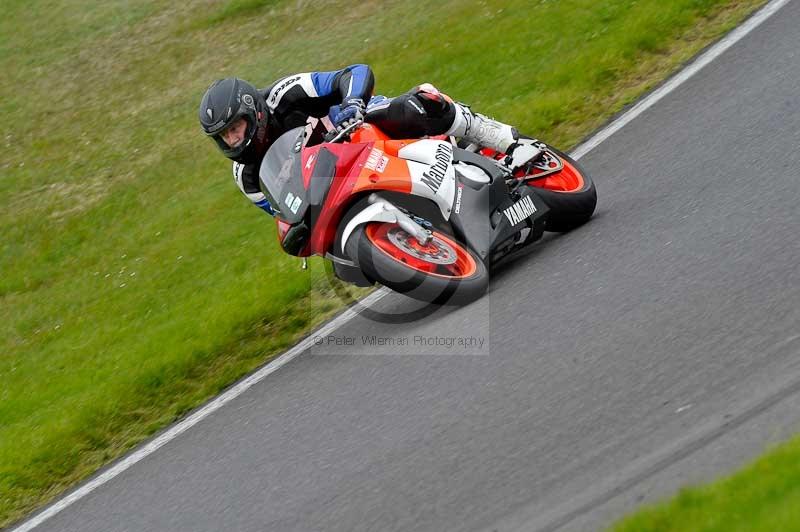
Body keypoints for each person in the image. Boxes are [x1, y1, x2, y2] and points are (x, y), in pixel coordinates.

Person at [198, 64, 541, 215]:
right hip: (336, 182)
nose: (234, 139)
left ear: (252, 111)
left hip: (358, 129)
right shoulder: (247, 178)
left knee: (417, 104)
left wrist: (351, 103)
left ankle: (503, 139)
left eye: (235, 127)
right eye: (224, 136)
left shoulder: (284, 93)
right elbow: (284, 213)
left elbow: (354, 72)